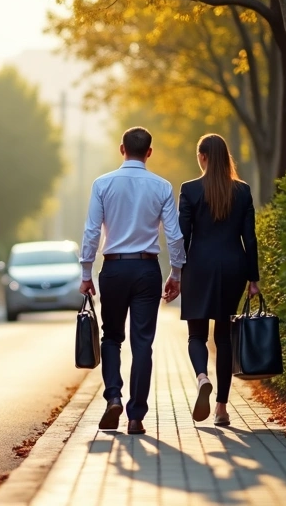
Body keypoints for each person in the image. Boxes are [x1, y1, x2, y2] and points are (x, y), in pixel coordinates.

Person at [80, 127, 186, 435]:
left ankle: (113, 396)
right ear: (149, 152)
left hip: (113, 269)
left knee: (112, 337)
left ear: (121, 149)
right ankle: (136, 416)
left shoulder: (102, 184)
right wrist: (176, 273)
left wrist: (86, 273)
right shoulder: (162, 186)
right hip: (147, 270)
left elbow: (91, 231)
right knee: (143, 343)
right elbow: (174, 236)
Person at [163, 134, 259, 427]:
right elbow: (250, 239)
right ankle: (221, 409)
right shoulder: (242, 191)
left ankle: (202, 377)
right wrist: (253, 279)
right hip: (233, 267)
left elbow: (182, 237)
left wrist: (176, 273)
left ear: (202, 157)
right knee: (224, 337)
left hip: (199, 267)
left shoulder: (190, 189)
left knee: (196, 335)